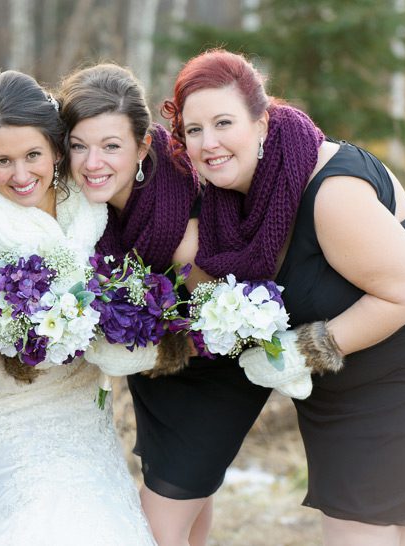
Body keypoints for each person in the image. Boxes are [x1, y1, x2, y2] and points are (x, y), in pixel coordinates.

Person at [166, 48, 405, 546]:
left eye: (224, 123)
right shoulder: (227, 204)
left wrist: (296, 352)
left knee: (357, 533)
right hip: (343, 391)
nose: (208, 143)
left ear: (262, 123)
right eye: (193, 130)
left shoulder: (328, 189)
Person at [0, 70, 156, 545]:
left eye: (33, 156)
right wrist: (24, 341)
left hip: (79, 397)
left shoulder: (87, 200)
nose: (21, 175)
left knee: (97, 513)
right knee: (45, 518)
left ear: (57, 150)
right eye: (2, 161)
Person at [57, 63, 271, 546]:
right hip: (156, 377)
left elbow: (229, 317)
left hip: (213, 376)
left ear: (142, 148)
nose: (93, 162)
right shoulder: (89, 209)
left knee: (153, 530)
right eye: (78, 146)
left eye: (111, 146)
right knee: (189, 519)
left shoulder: (179, 220)